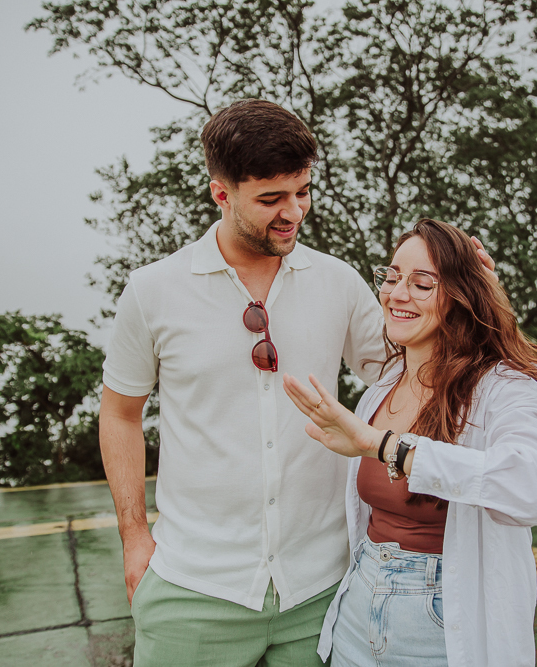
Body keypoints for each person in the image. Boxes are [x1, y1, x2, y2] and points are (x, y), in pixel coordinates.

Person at [99, 100, 495, 666]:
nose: (294, 212)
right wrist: (134, 537)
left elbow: (413, 370)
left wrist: (469, 299)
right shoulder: (151, 291)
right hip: (192, 584)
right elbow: (119, 414)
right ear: (221, 193)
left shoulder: (338, 282)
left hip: (323, 589)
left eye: (303, 192)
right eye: (270, 200)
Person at [283, 218, 537, 667]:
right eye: (392, 277)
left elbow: (534, 488)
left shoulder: (506, 388)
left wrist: (388, 447)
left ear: (460, 295)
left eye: (421, 283)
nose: (396, 294)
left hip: (440, 623)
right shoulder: (380, 389)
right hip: (357, 611)